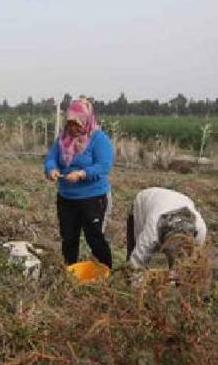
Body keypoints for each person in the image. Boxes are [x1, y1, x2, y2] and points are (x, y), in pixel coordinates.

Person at [44, 99, 115, 268]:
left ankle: (106, 270)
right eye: (69, 124)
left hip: (93, 197)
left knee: (94, 237)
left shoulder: (98, 139)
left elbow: (104, 166)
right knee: (69, 238)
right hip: (67, 198)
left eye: (76, 124)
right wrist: (51, 169)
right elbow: (51, 158)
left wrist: (82, 174)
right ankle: (70, 271)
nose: (72, 129)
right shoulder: (63, 139)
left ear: (86, 121)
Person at [126, 187, 208, 270]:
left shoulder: (200, 230)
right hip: (144, 201)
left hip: (180, 199)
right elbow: (136, 262)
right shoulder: (152, 232)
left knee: (182, 264)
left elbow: (194, 259)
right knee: (135, 255)